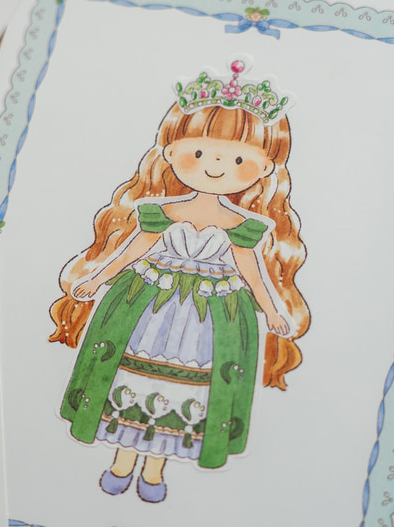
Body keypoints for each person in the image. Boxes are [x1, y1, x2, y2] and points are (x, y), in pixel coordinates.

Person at [50, 61, 309, 503]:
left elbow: (251, 271)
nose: (216, 166)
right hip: (145, 306)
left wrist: (272, 311)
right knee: (130, 376)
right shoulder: (161, 212)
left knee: (183, 388)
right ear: (170, 152)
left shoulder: (243, 226)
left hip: (210, 317)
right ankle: (121, 462)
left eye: (238, 159)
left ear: (265, 167)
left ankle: (154, 470)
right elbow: (131, 251)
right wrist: (97, 278)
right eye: (200, 153)